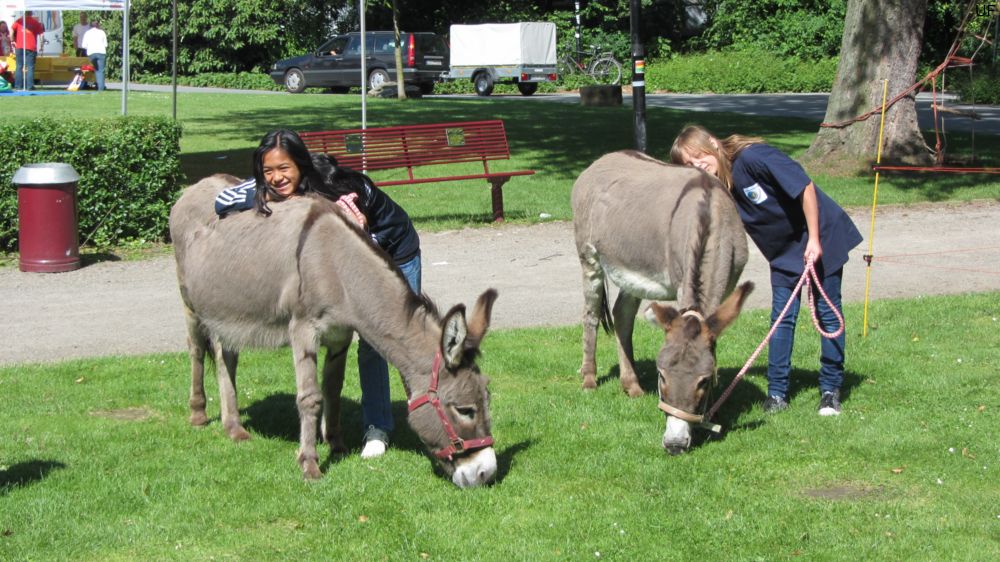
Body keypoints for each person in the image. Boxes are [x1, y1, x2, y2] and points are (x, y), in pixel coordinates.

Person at [215, 130, 421, 458]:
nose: (276, 177)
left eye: (284, 168)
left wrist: (358, 226)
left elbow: (362, 240)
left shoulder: (337, 189)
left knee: (396, 334)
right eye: (268, 170)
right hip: (352, 261)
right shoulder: (271, 185)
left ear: (301, 163)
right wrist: (269, 199)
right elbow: (222, 201)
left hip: (395, 249)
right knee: (369, 341)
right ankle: (378, 428)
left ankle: (425, 410)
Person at [670, 125, 863, 416]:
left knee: (827, 312)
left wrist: (813, 239)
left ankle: (830, 389)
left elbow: (805, 187)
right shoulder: (720, 186)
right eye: (689, 165)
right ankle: (777, 394)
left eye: (699, 157)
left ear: (712, 143)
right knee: (781, 320)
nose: (698, 166)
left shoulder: (754, 158)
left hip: (821, 236)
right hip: (784, 253)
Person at [11, 11, 45, 90]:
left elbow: (12, 30)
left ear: (24, 13)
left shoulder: (19, 21)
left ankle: (18, 86)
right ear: (31, 13)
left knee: (19, 66)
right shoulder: (36, 22)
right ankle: (30, 86)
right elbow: (41, 35)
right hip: (31, 47)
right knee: (30, 67)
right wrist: (42, 45)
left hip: (19, 46)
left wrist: (12, 41)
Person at [80, 19, 107, 91]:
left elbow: (84, 46)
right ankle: (101, 87)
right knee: (101, 71)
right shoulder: (102, 32)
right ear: (98, 25)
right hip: (101, 52)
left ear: (90, 25)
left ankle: (98, 86)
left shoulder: (87, 33)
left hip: (91, 53)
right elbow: (105, 44)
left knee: (96, 70)